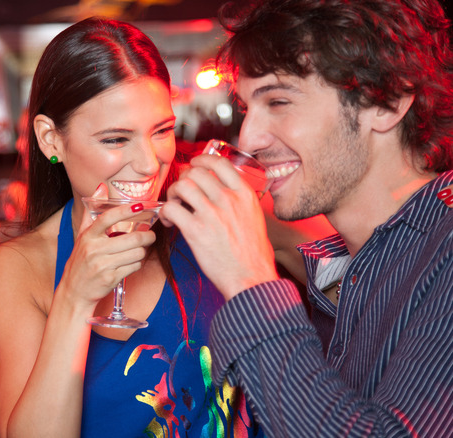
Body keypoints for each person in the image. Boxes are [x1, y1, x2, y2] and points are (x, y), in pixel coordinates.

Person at [159, 0, 453, 436]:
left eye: (278, 100)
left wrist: (248, 280)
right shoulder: (347, 267)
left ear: (387, 102)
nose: (249, 138)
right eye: (245, 108)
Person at [0, 17, 263, 437]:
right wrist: (75, 299)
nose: (150, 164)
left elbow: (349, 252)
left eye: (163, 130)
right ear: (50, 139)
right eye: (116, 139)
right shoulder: (20, 266)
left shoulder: (207, 210)